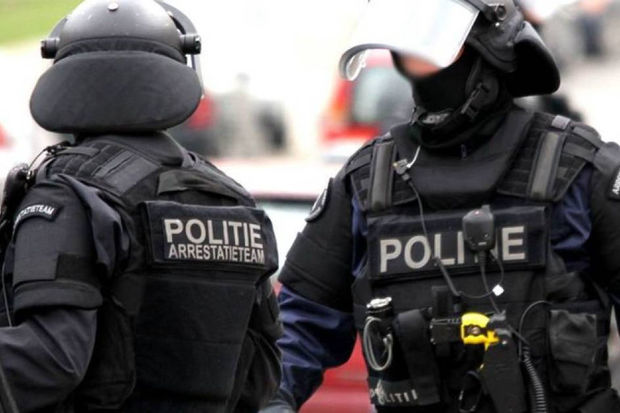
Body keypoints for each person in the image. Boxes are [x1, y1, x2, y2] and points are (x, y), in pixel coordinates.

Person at [263, 0, 620, 412]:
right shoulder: (368, 181)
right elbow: (299, 327)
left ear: (489, 47)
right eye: (409, 51)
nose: (420, 66)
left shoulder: (577, 169)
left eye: (436, 47)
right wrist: (273, 401)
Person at [0, 0, 282, 411]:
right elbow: (263, 374)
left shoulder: (70, 195)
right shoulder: (231, 200)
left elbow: (51, 359)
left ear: (66, 80)